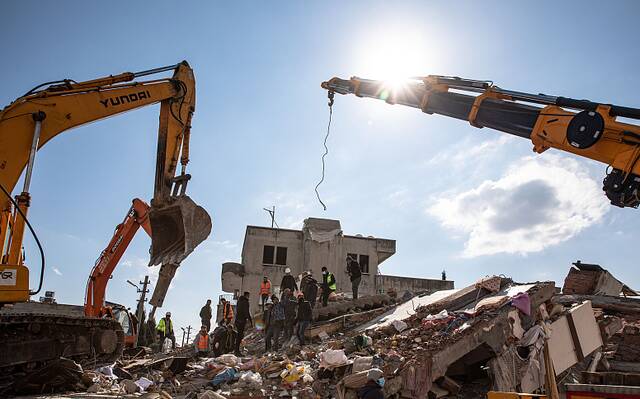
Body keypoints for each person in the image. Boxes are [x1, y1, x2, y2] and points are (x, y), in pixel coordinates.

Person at [233, 291, 253, 356]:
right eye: (249, 296)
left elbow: (238, 311)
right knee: (240, 336)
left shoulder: (239, 301)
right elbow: (246, 311)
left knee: (239, 336)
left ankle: (236, 350)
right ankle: (237, 351)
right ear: (247, 295)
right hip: (241, 321)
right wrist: (250, 320)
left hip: (237, 320)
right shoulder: (245, 302)